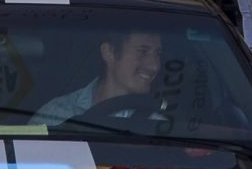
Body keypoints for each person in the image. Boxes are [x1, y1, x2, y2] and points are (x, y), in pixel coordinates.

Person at [34, 29, 165, 125]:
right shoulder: (56, 115)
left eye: (158, 54)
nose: (154, 66)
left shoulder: (156, 124)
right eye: (142, 51)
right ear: (109, 52)